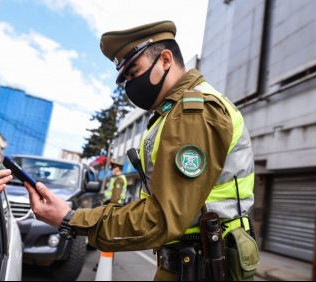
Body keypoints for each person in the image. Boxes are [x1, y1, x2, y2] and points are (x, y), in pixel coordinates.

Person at [24, 20, 257, 281]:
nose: (130, 85)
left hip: (204, 267)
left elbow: (162, 217)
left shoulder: (194, 112)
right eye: (126, 79)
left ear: (165, 60)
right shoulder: (170, 113)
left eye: (135, 72)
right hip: (190, 262)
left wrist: (70, 219)